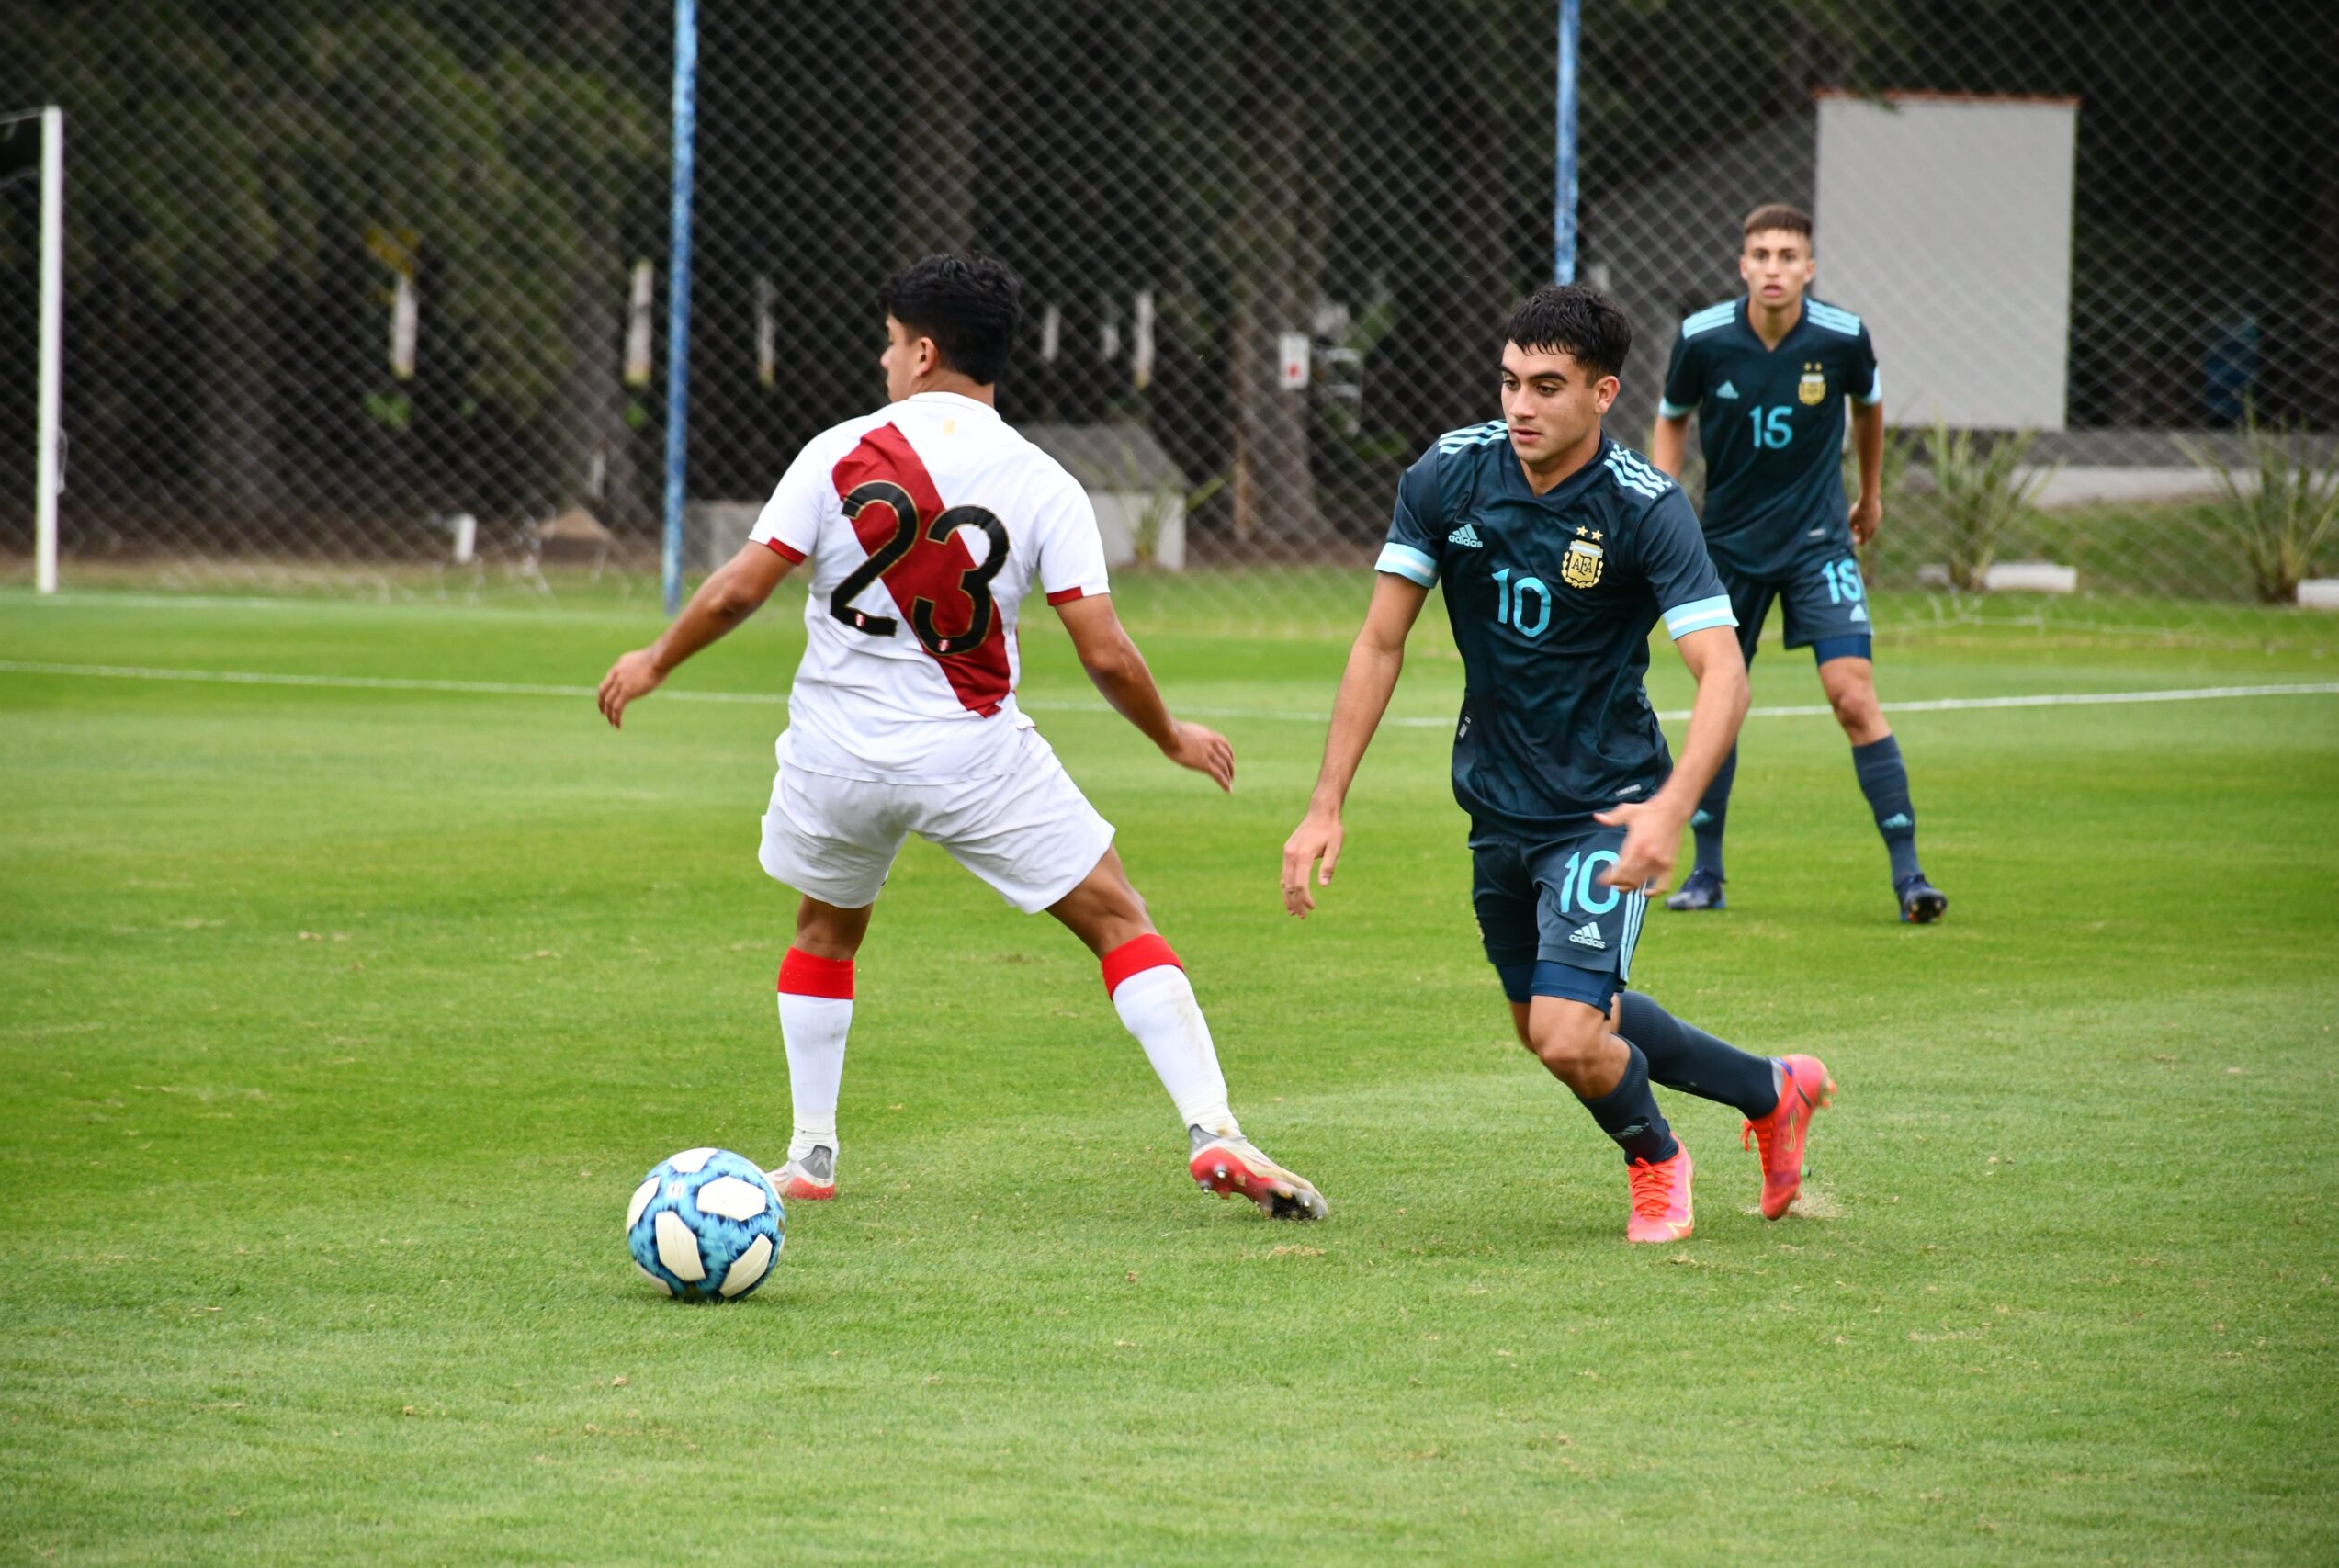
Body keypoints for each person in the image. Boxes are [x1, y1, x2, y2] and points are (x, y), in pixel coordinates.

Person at [599, 254, 1325, 1221]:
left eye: (893, 342)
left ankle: (810, 1155)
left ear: (925, 350)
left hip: (837, 756)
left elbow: (738, 589)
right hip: (975, 755)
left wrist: (655, 659)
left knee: (824, 931)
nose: (885, 358)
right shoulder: (1042, 482)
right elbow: (1104, 653)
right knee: (1118, 920)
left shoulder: (835, 453)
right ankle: (1214, 1131)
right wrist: (1169, 735)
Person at [1281, 284, 1832, 1243]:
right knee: (1552, 1022)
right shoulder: (1447, 478)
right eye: (1508, 384)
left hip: (1604, 807)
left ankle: (1658, 1162)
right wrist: (1324, 802)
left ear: (1603, 392)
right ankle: (1769, 1090)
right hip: (1495, 805)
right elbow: (1378, 643)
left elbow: (1725, 677)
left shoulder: (1644, 509)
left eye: (1546, 386)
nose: (1520, 407)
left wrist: (1670, 813)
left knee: (1565, 1030)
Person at [1651, 203, 1947, 922]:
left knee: (1852, 696)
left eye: (1789, 255)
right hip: (1725, 547)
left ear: (1809, 268)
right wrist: (1664, 508)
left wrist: (1870, 494)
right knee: (1721, 702)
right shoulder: (1702, 337)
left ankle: (1910, 877)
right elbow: (1670, 417)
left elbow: (1869, 409)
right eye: (1762, 254)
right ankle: (1707, 872)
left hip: (1819, 544)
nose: (1774, 267)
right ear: (1742, 265)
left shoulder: (1842, 337)